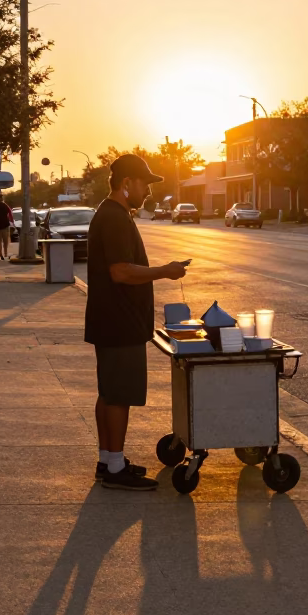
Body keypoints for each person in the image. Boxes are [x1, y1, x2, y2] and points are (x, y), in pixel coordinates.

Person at [85, 154, 188, 491]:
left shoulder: (114, 214)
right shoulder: (114, 218)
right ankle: (114, 468)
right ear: (127, 183)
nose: (147, 191)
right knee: (119, 396)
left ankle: (108, 459)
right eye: (144, 183)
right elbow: (121, 271)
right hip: (119, 323)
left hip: (113, 321)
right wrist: (165, 271)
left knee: (110, 393)